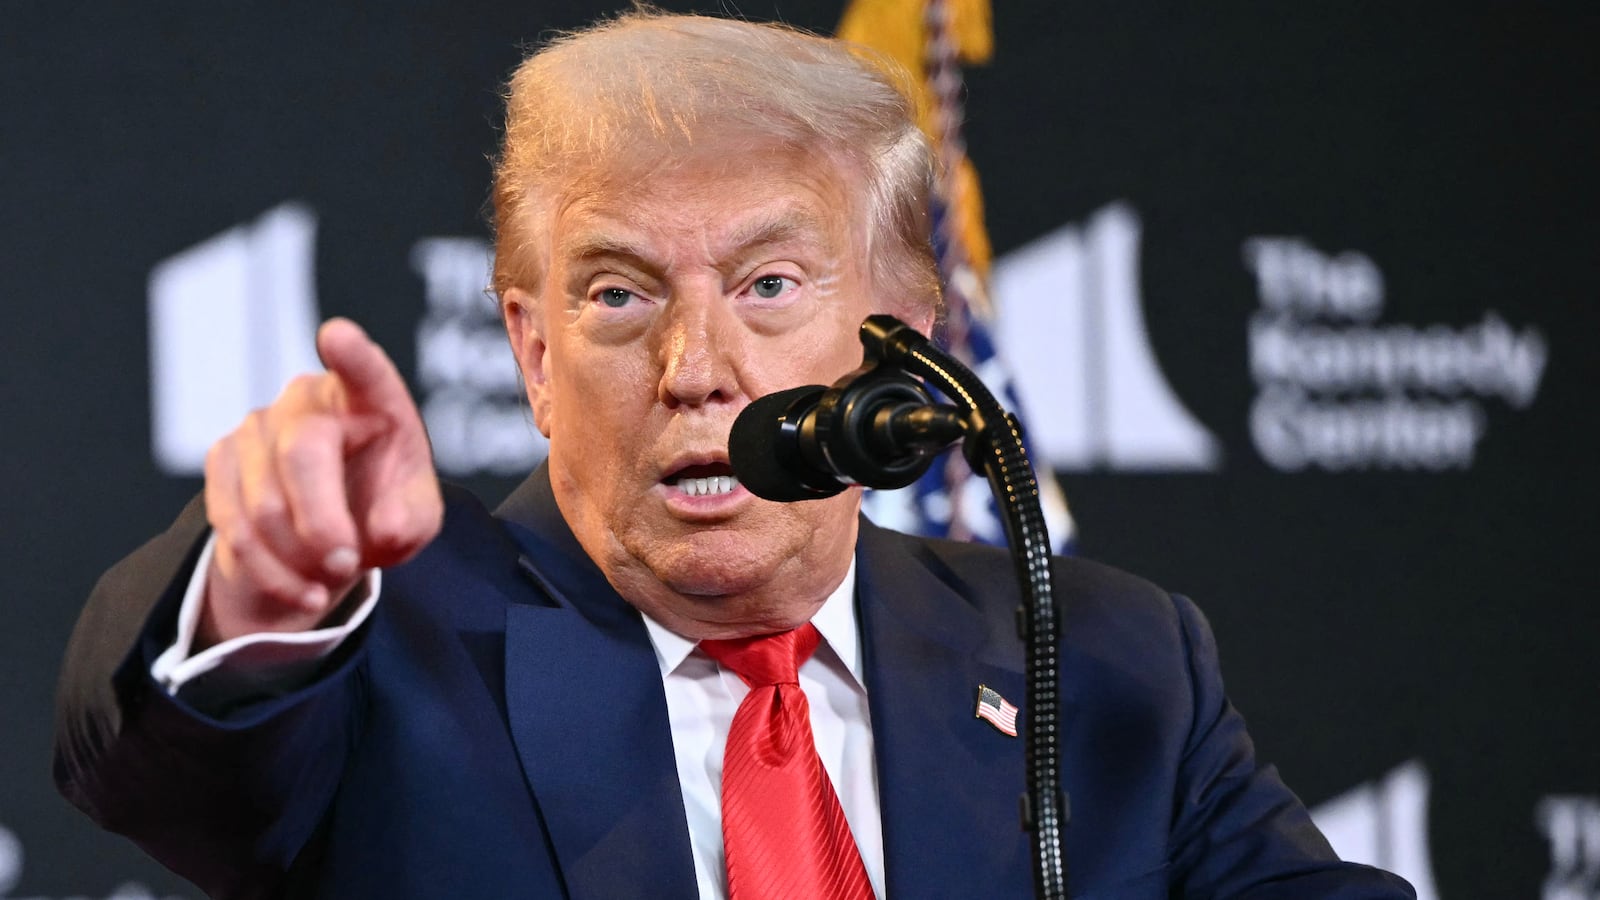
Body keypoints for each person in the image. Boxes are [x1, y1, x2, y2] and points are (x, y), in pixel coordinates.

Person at [54, 11, 1413, 900]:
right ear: (531, 351)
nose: (695, 366)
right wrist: (265, 602)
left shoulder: (1109, 663)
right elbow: (149, 765)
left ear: (907, 334)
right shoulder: (397, 651)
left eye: (769, 285)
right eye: (618, 295)